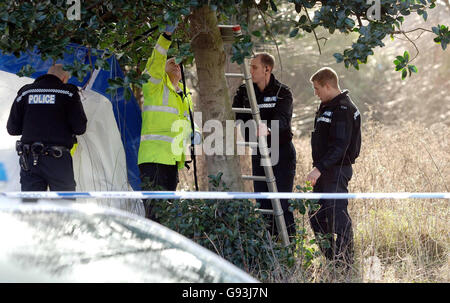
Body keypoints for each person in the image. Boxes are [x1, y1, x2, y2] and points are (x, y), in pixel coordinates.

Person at [233, 52, 297, 239]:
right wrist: (250, 134)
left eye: (254, 67)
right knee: (263, 204)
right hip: (258, 152)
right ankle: (269, 249)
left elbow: (283, 120)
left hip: (281, 152)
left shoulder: (282, 92)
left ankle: (288, 248)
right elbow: (239, 118)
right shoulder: (244, 92)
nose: (250, 70)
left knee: (281, 202)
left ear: (267, 69)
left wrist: (268, 129)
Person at [138, 24, 196, 221]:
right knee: (154, 213)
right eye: (172, 63)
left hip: (172, 161)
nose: (176, 65)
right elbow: (155, 63)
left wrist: (196, 136)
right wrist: (166, 36)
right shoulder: (154, 86)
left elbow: (187, 124)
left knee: (168, 213)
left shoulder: (184, 94)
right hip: (153, 159)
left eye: (179, 64)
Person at [306, 67, 361, 268]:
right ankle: (332, 260)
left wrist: (319, 168)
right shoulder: (326, 106)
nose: (316, 93)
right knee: (316, 216)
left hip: (336, 170)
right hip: (323, 171)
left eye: (317, 88)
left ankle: (345, 264)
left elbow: (340, 146)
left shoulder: (343, 109)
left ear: (328, 85)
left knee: (337, 216)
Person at [7, 64, 87, 192]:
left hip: (29, 159)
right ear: (64, 78)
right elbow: (80, 128)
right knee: (64, 206)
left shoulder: (25, 92)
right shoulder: (68, 93)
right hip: (58, 159)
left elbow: (12, 129)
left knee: (31, 207)